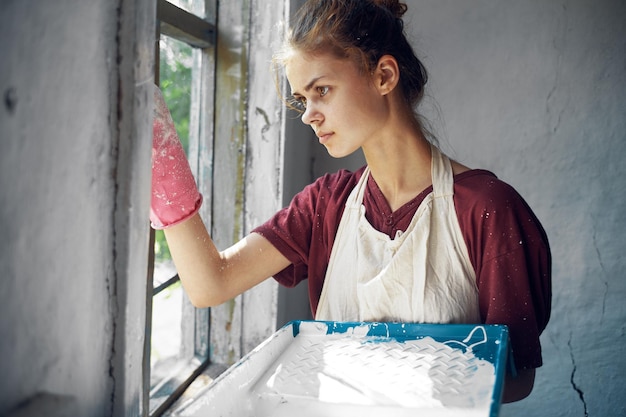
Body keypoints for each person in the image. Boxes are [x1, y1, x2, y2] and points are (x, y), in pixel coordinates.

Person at [150, 0, 551, 404]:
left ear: (384, 75)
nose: (308, 115)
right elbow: (210, 283)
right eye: (302, 99)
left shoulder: (489, 209)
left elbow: (516, 378)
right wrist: (161, 157)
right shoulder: (325, 205)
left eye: (321, 90)